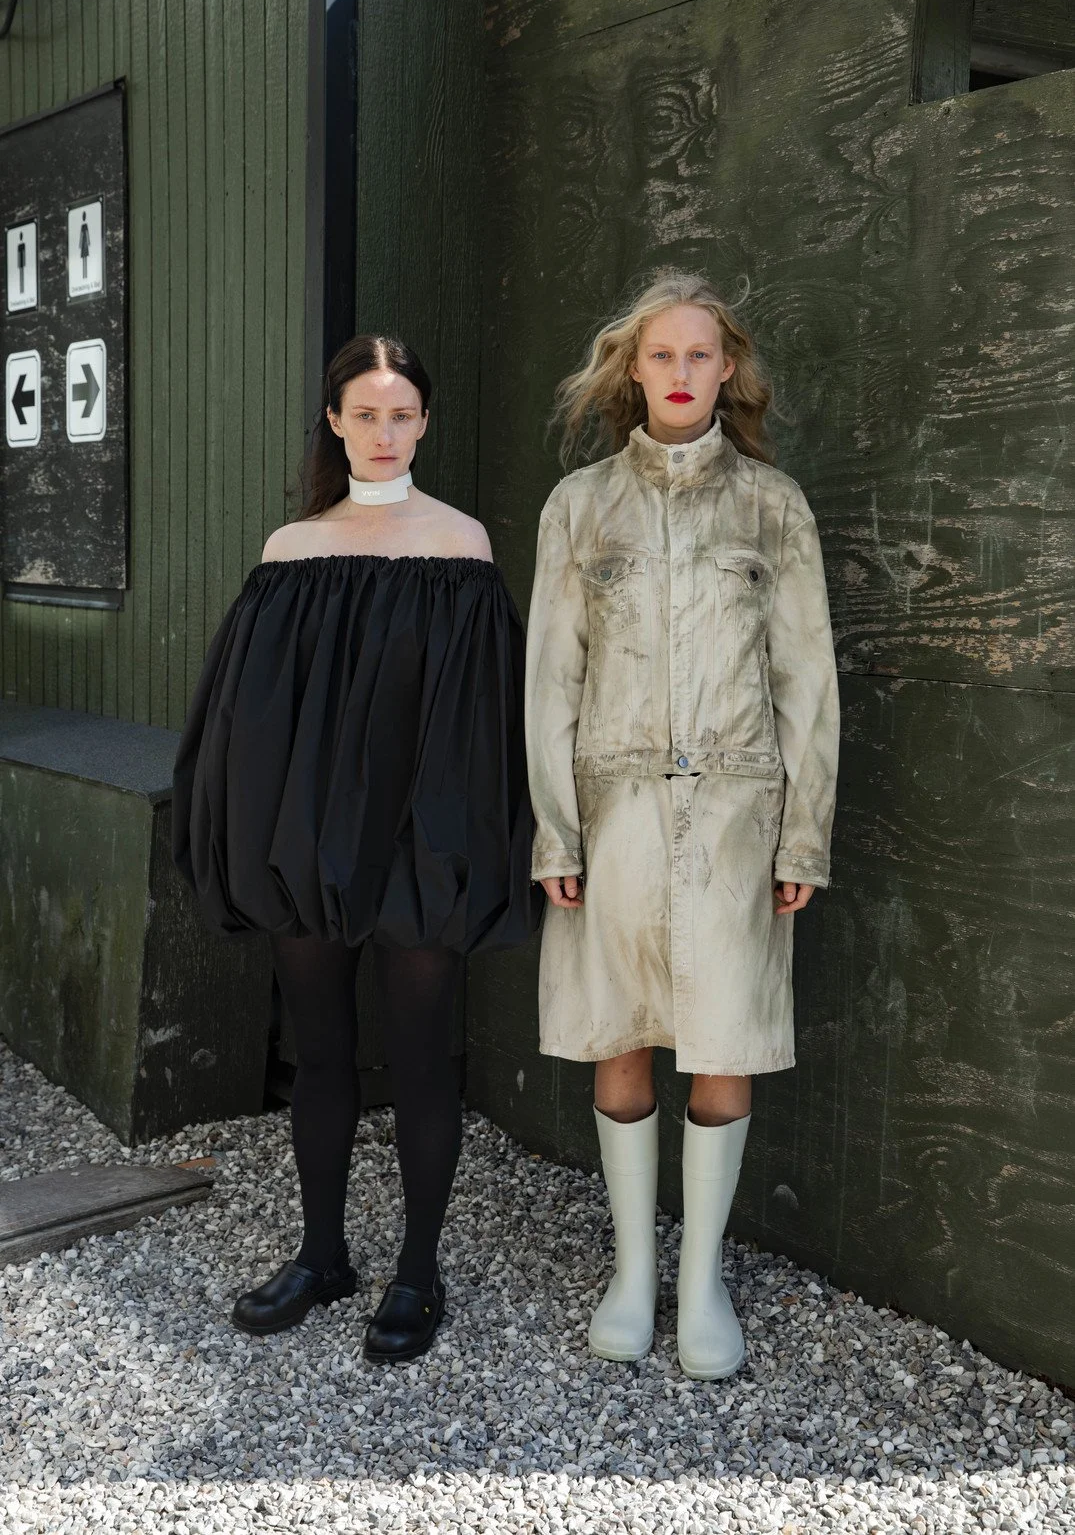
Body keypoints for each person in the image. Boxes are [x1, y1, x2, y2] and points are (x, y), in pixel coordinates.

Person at [172, 334, 542, 1362]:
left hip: (421, 842)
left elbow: (477, 724)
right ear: (333, 420)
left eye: (402, 414)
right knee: (321, 1048)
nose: (384, 433)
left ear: (426, 422)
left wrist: (464, 843)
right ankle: (322, 1252)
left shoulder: (462, 548)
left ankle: (417, 1270)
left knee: (423, 1052)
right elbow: (253, 722)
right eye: (364, 414)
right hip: (311, 844)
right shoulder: (289, 551)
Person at [524, 270, 839, 1380]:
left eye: (700, 355)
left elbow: (806, 679)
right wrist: (555, 831)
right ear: (631, 369)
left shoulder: (772, 504)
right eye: (661, 355)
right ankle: (630, 1269)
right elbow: (550, 682)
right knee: (618, 1032)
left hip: (736, 815)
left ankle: (698, 1275)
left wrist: (802, 834)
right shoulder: (579, 506)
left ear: (728, 369)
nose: (681, 374)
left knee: (721, 1041)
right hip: (613, 811)